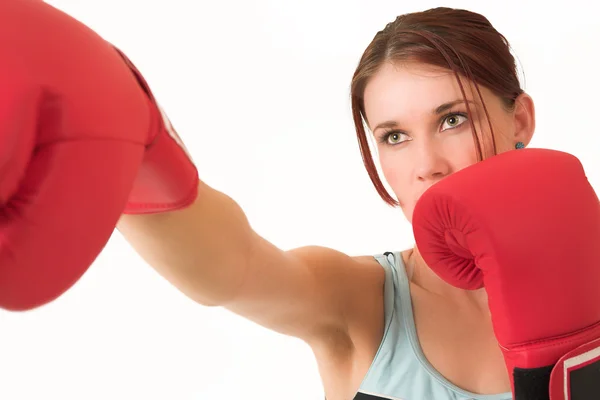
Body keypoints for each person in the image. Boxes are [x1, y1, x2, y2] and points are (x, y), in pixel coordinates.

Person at [1, 2, 599, 399]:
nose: (426, 165)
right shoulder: (364, 302)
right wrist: (128, 142)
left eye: (452, 120)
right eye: (394, 135)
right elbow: (235, 269)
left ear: (520, 116)